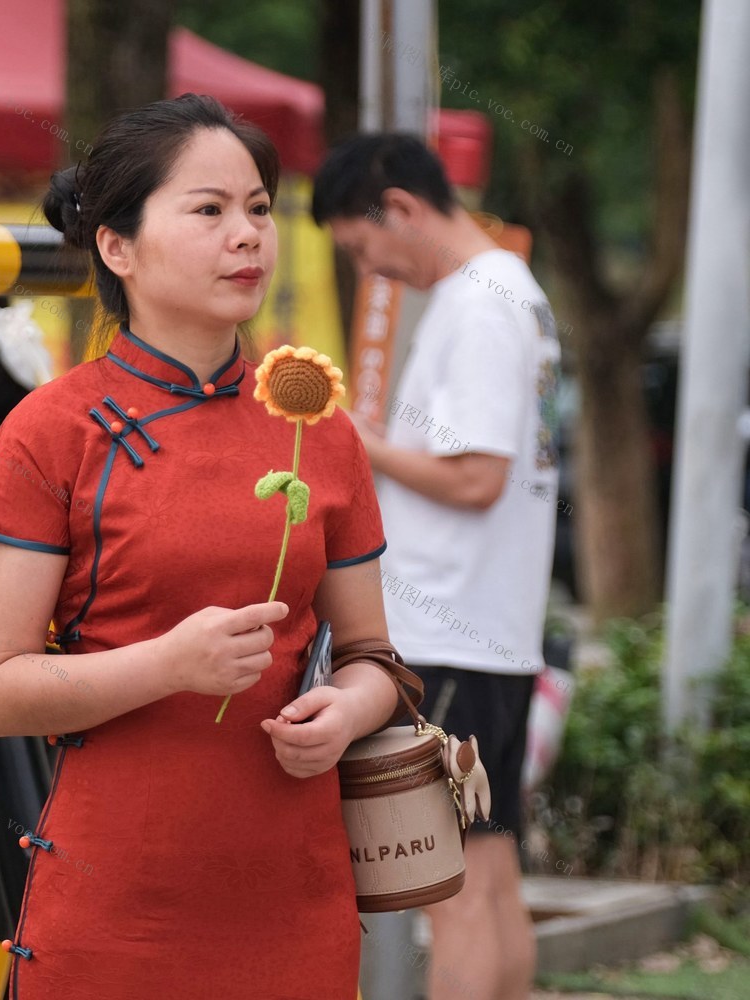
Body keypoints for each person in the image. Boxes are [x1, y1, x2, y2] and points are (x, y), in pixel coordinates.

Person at [0, 93, 401, 1000]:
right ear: (117, 247)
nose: (247, 236)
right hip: (116, 912)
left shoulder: (319, 424)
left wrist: (350, 714)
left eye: (258, 209)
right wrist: (169, 664)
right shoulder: (48, 432)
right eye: (208, 210)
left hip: (299, 906)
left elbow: (374, 658)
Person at [312, 133, 561, 1000]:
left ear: (402, 209)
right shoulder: (512, 292)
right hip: (490, 625)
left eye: (361, 245)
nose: (371, 268)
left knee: (448, 892)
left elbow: (476, 474)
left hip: (450, 628)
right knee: (490, 881)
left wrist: (361, 443)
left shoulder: (478, 302)